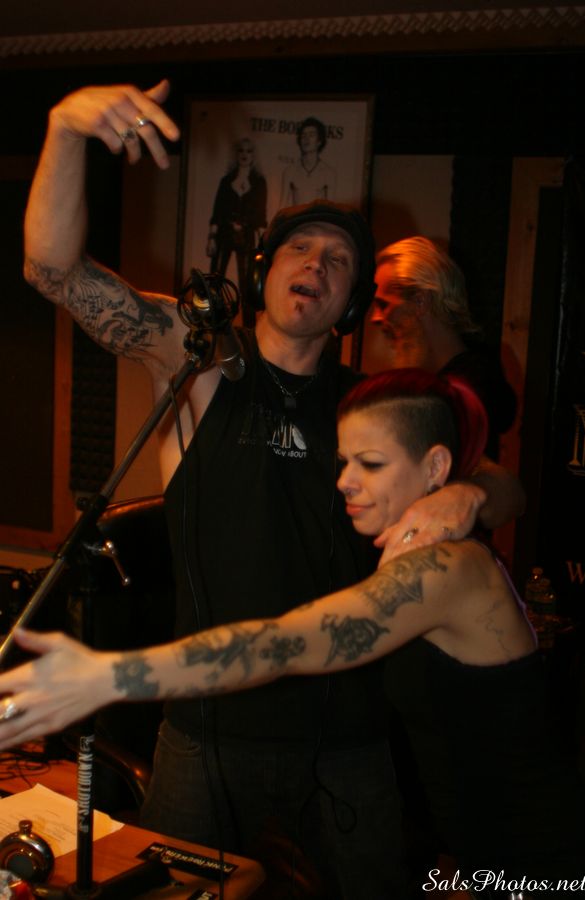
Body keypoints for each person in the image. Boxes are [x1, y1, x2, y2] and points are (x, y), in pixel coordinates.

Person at [18, 79, 524, 898]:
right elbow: (52, 270)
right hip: (205, 735)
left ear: (352, 303)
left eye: (338, 261)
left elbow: (504, 486)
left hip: (348, 740)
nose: (316, 265)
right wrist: (64, 130)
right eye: (300, 249)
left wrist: (464, 496)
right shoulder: (195, 364)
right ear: (264, 271)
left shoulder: (373, 406)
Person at [0, 369, 585, 898]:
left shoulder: (448, 569)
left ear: (436, 468)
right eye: (344, 462)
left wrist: (107, 675)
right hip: (487, 859)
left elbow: (283, 643)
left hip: (541, 862)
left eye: (371, 464)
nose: (345, 482)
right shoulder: (425, 557)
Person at [371, 236, 517, 458]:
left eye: (383, 305)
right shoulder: (449, 383)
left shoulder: (466, 393)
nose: (375, 318)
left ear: (420, 302)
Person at [206, 136, 267, 326]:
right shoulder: (226, 181)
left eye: (249, 151)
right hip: (224, 234)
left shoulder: (259, 182)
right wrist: (212, 237)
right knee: (215, 280)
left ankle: (249, 329)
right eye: (241, 150)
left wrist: (262, 245)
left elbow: (261, 215)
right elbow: (217, 211)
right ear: (236, 154)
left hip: (247, 237)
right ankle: (211, 324)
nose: (244, 155)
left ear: (254, 155)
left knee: (248, 285)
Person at [280, 117, 337, 208]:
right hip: (297, 216)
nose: (306, 139)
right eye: (303, 135)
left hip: (317, 216)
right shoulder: (290, 171)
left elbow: (330, 209)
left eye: (311, 135)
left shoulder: (329, 173)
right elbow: (282, 207)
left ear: (319, 141)